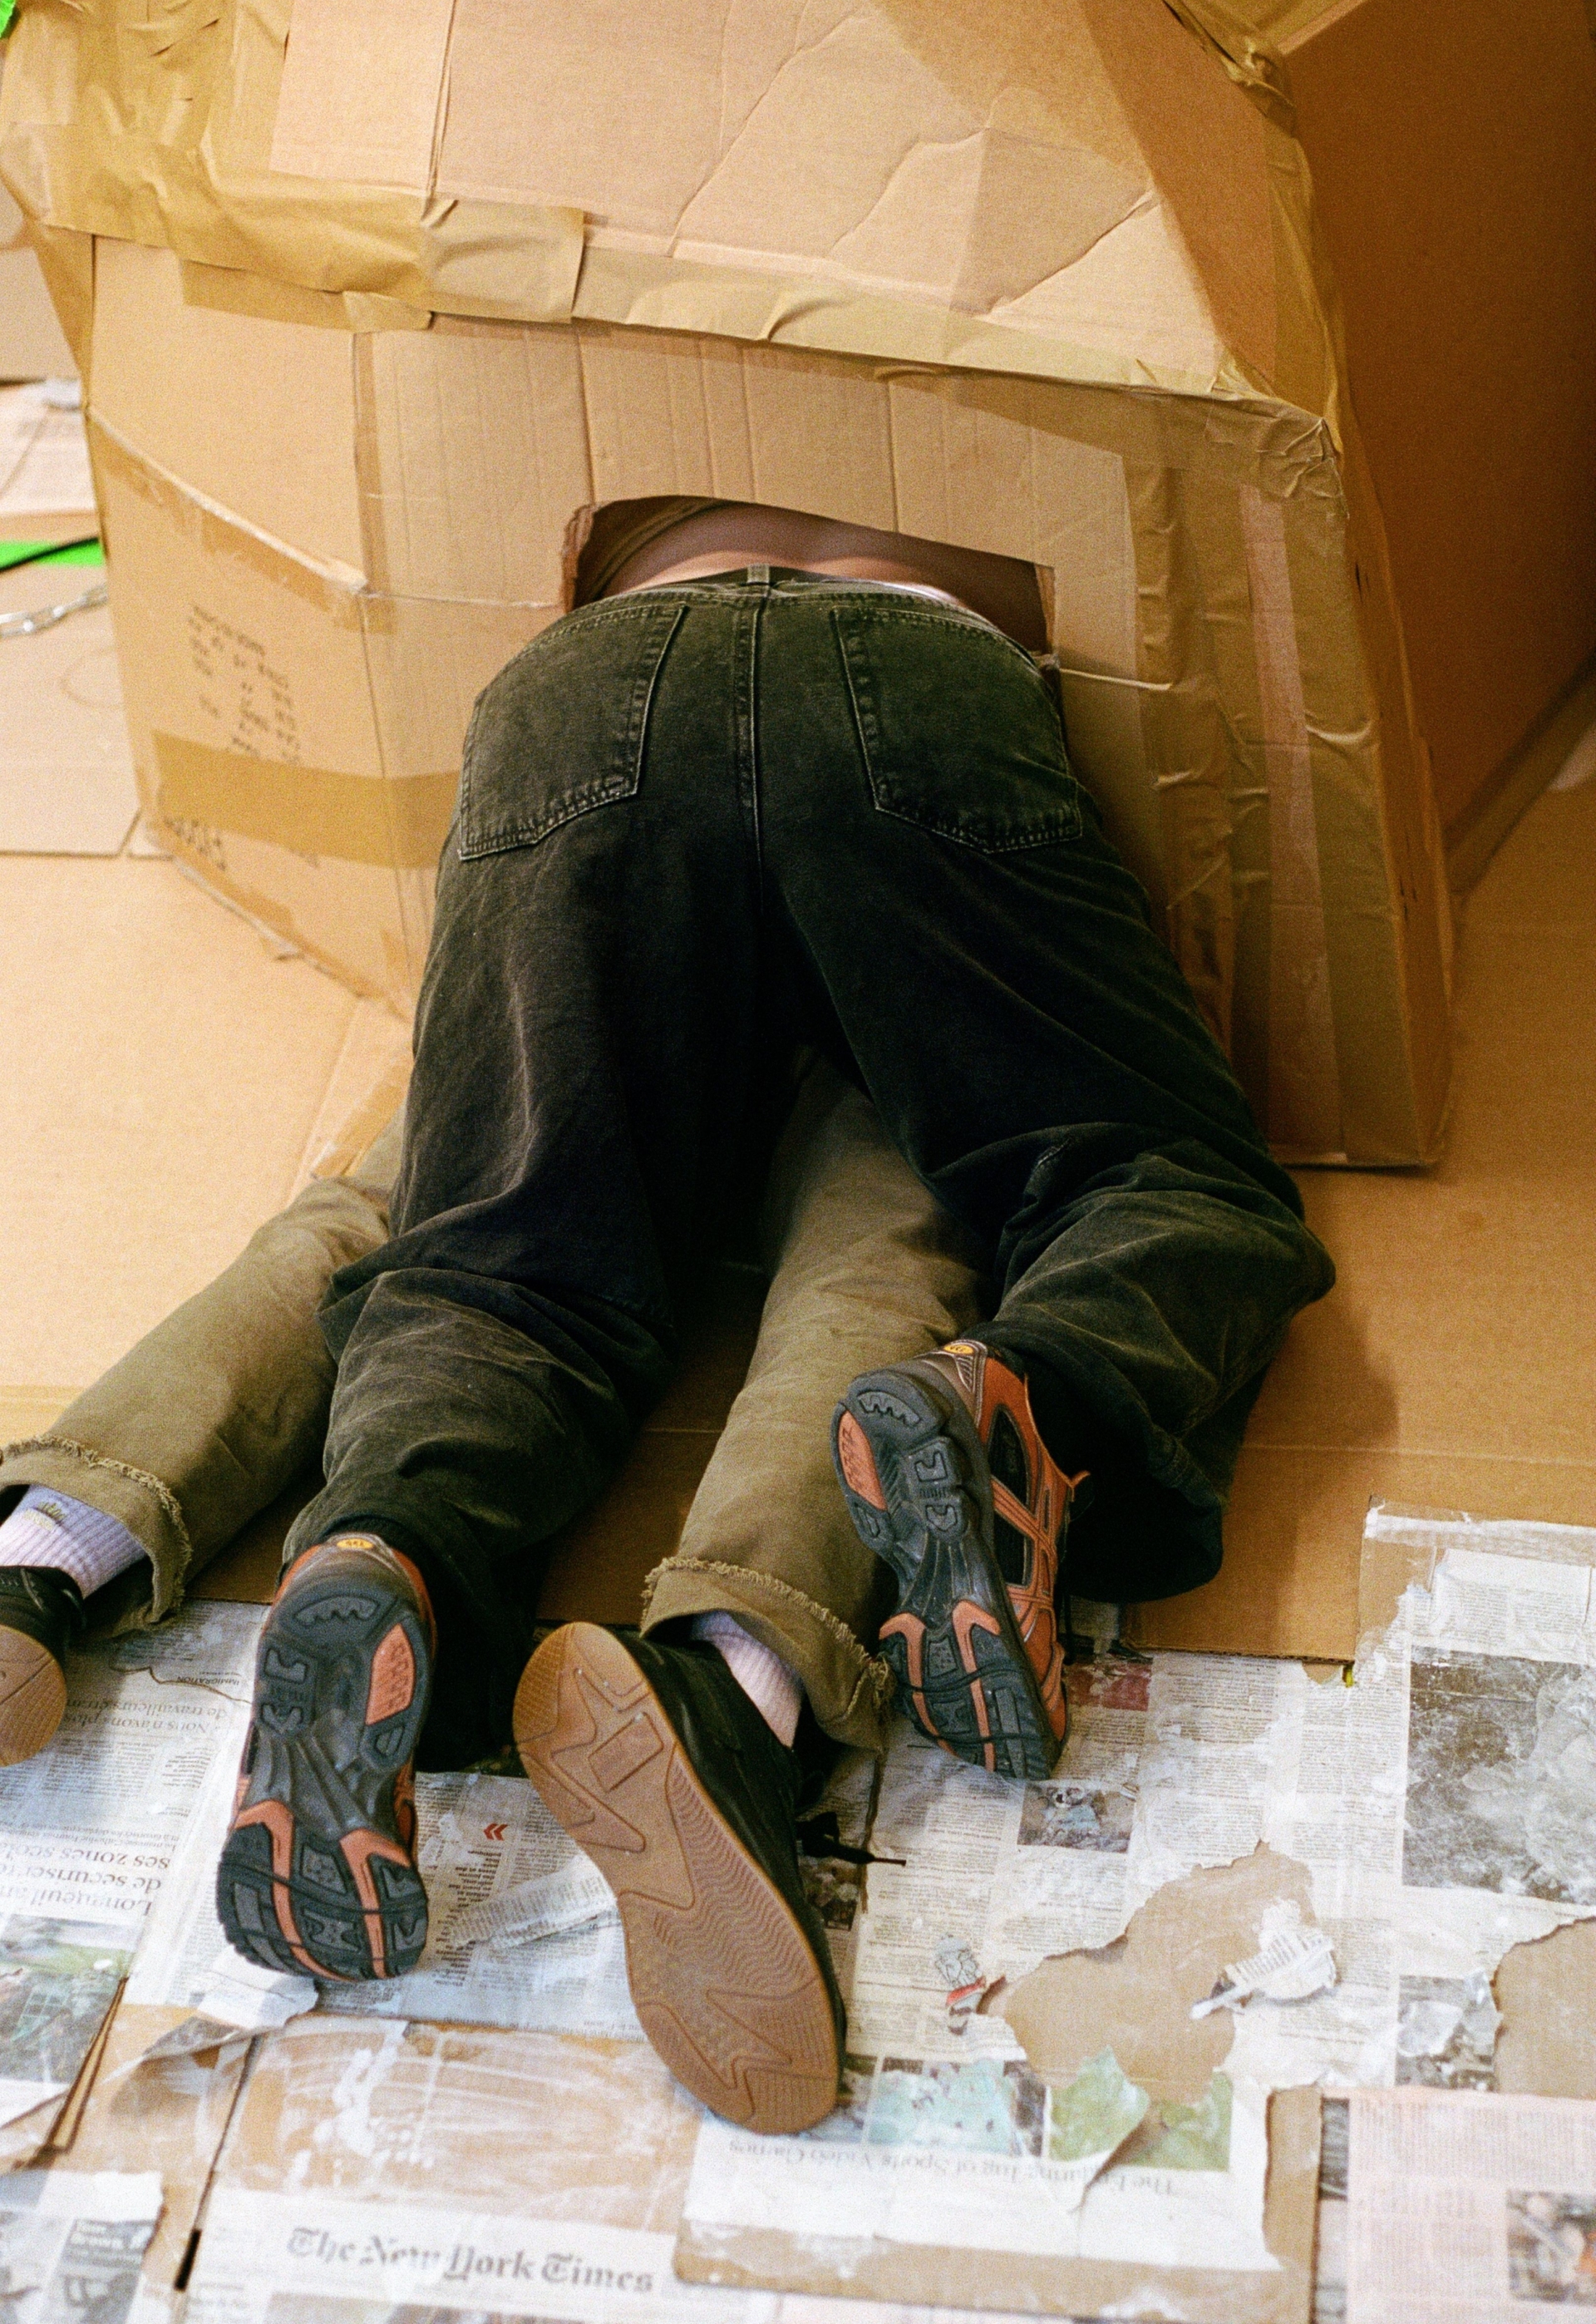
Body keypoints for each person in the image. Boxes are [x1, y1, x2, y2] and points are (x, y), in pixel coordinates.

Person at [0, 500, 1334, 2137]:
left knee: (474, 1240)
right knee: (959, 1225)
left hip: (593, 696)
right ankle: (769, 1646)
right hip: (916, 682)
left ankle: (245, 1551)